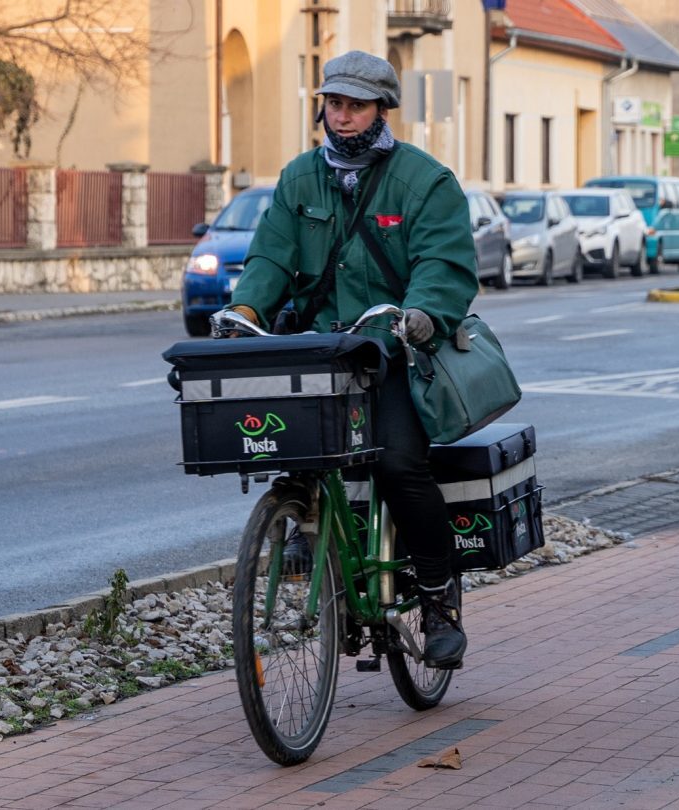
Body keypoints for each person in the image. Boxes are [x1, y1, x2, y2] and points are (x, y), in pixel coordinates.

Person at [221, 51, 479, 670]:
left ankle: (440, 598)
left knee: (397, 465)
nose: (341, 116)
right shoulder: (299, 178)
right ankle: (309, 536)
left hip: (390, 350)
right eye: (333, 103)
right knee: (292, 453)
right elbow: (272, 259)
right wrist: (246, 313)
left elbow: (444, 265)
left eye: (355, 105)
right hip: (319, 348)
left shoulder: (424, 181)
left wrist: (421, 315)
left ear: (381, 110)